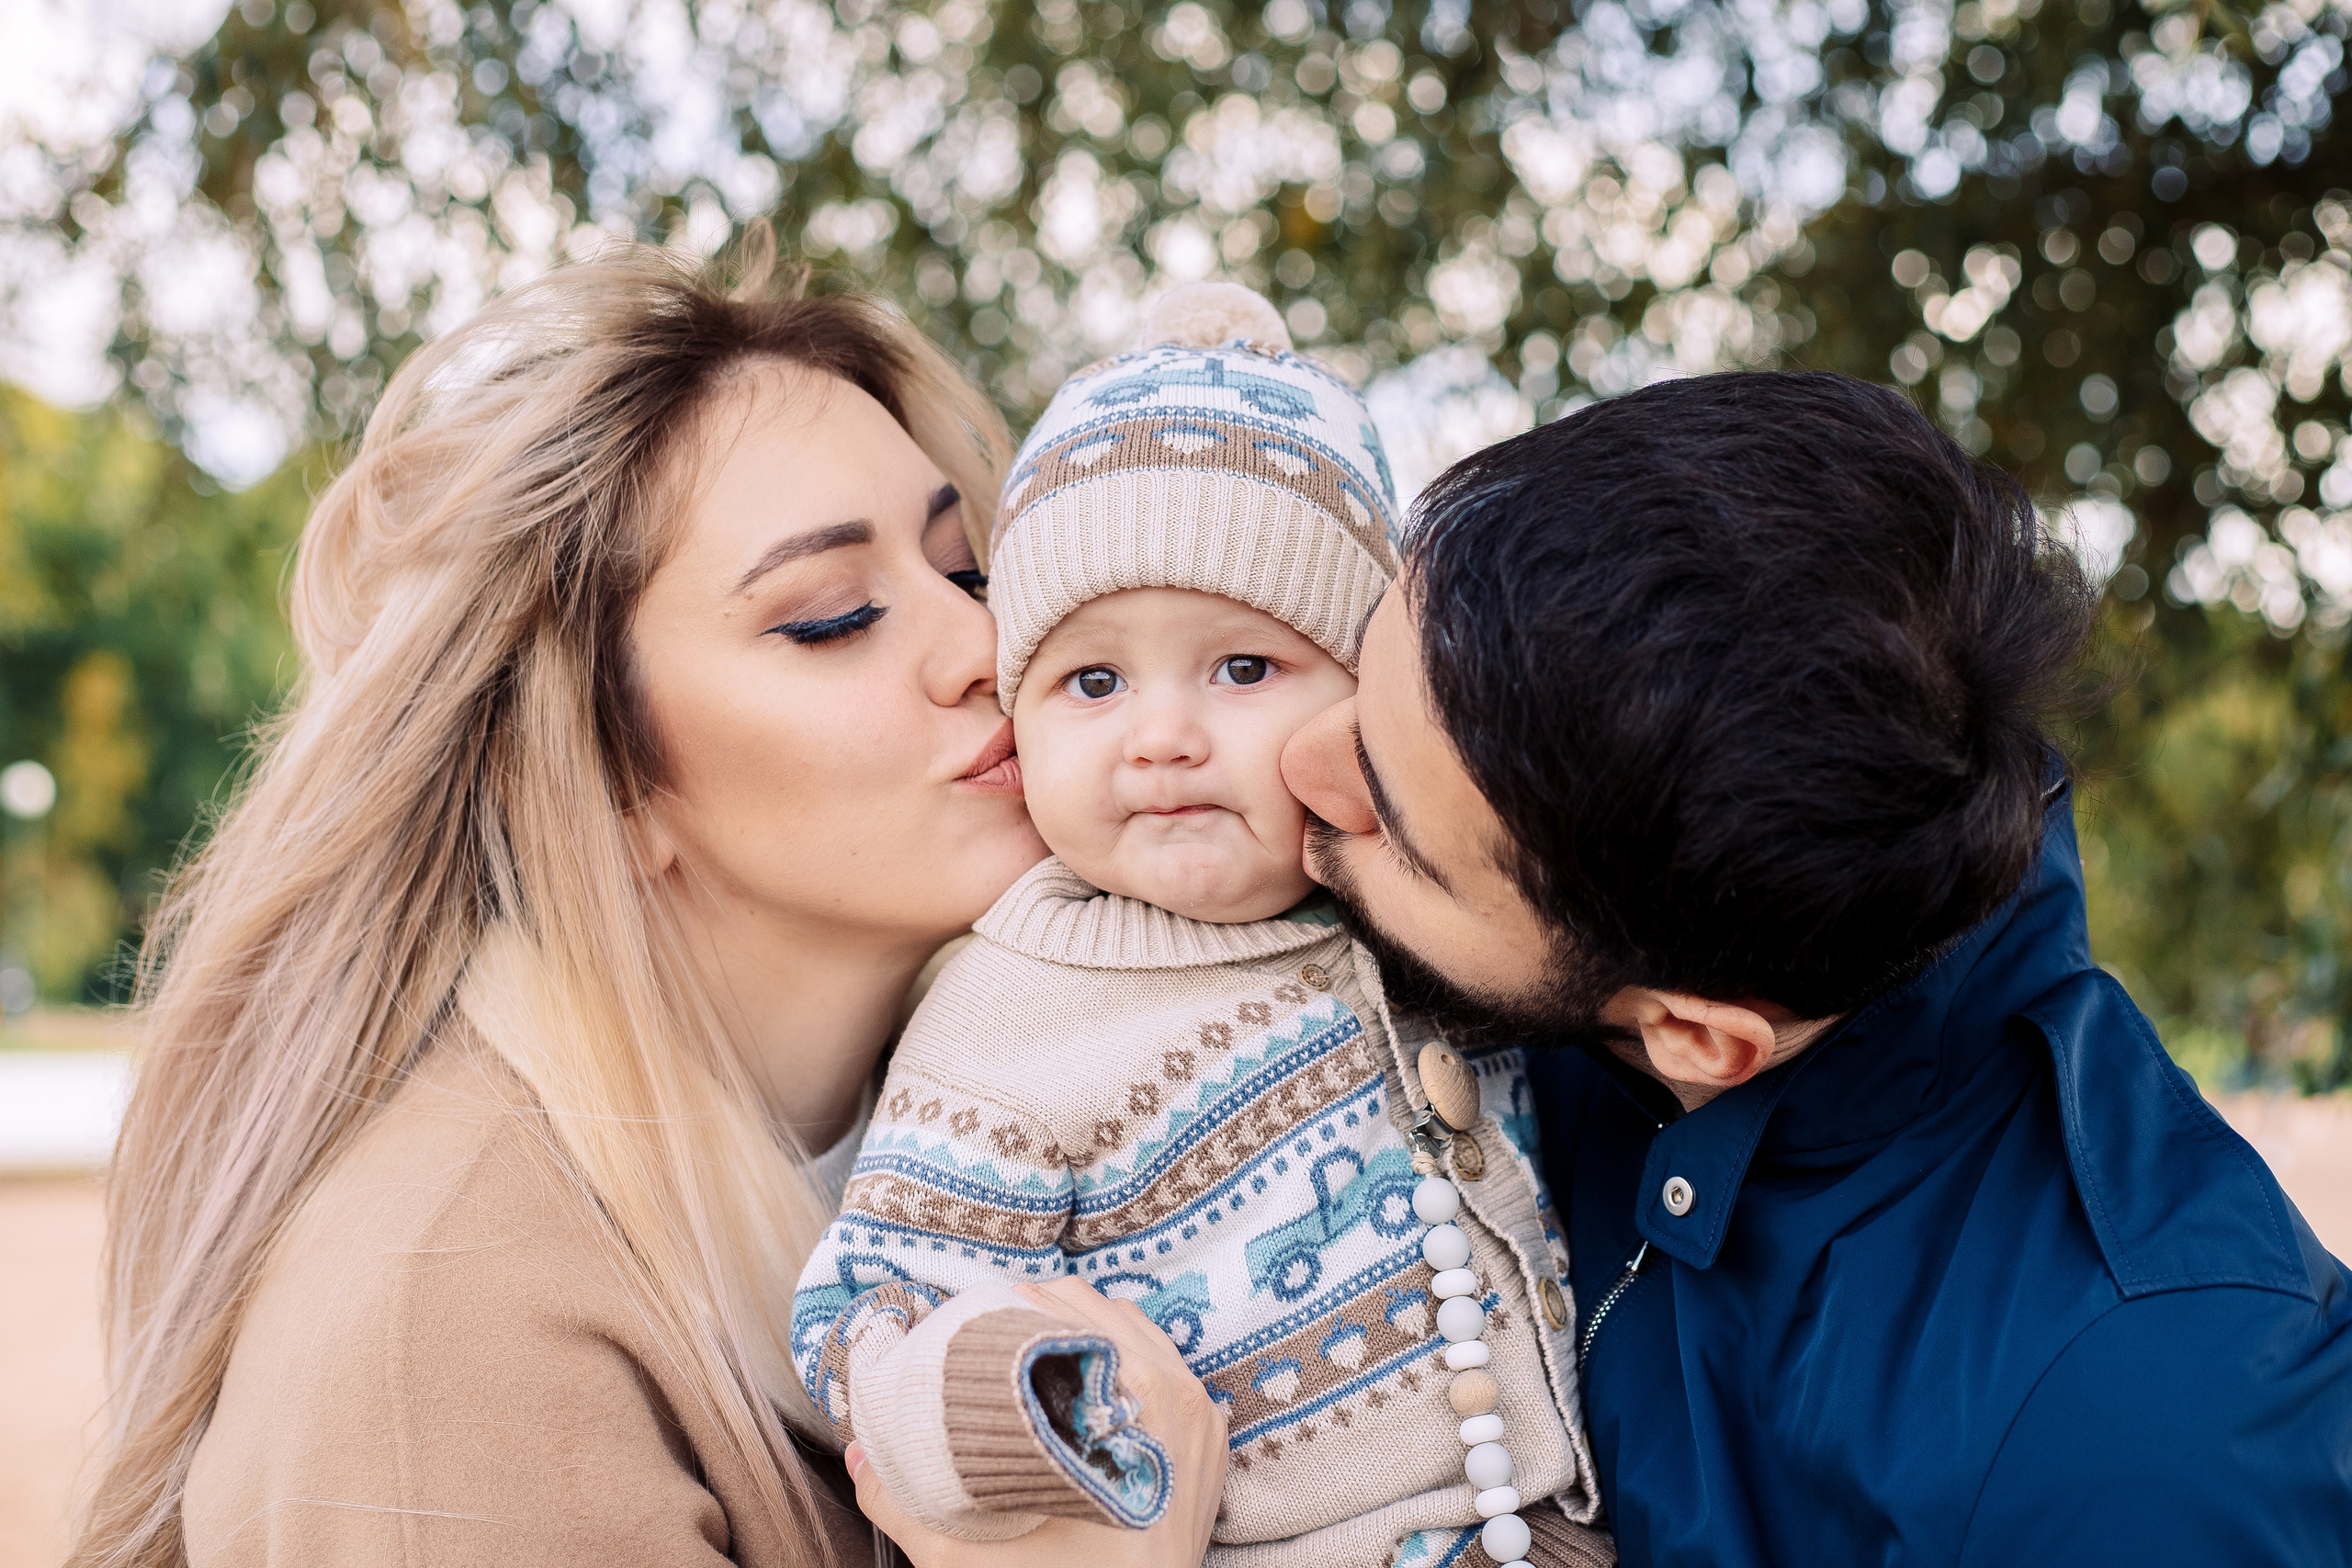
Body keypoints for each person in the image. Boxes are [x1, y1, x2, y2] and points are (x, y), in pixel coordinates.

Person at [68, 243, 1227, 1568]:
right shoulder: (450, 1349)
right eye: (835, 617)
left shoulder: (1060, 1099)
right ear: (603, 782)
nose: (986, 648)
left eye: (964, 569)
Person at [1280, 370, 2352, 1565]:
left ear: (1699, 1038)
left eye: (1389, 820)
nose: (1293, 765)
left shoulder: (2140, 1466)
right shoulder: (1654, 916)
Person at [790, 283, 1607, 1568]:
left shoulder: (1421, 906)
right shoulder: (1009, 1020)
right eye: (1093, 680)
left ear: (1363, 699)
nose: (1163, 735)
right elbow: (868, 1313)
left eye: (1243, 669)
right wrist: (1017, 1398)